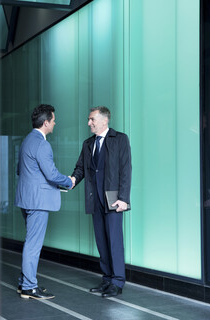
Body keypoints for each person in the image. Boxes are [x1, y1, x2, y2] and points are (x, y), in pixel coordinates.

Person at [70, 106, 131, 298]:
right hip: (94, 199)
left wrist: (124, 199)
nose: (89, 123)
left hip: (113, 199)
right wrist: (70, 181)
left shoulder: (120, 139)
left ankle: (118, 281)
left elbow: (126, 170)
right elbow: (80, 168)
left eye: (92, 119)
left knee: (114, 240)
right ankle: (107, 279)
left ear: (104, 120)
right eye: (89, 120)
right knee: (102, 241)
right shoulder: (88, 143)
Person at [15, 104, 74, 300]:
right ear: (46, 122)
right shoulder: (42, 144)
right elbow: (51, 174)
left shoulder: (26, 141)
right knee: (33, 244)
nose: (55, 123)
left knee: (30, 242)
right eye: (54, 120)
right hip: (38, 201)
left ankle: (24, 283)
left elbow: (20, 170)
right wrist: (69, 181)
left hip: (26, 199)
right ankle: (30, 287)